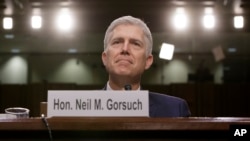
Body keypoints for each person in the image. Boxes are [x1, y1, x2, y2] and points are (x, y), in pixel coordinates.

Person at [101, 15, 191, 117]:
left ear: (148, 61)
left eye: (135, 44)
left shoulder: (174, 110)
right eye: (117, 42)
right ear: (105, 58)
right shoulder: (81, 108)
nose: (125, 49)